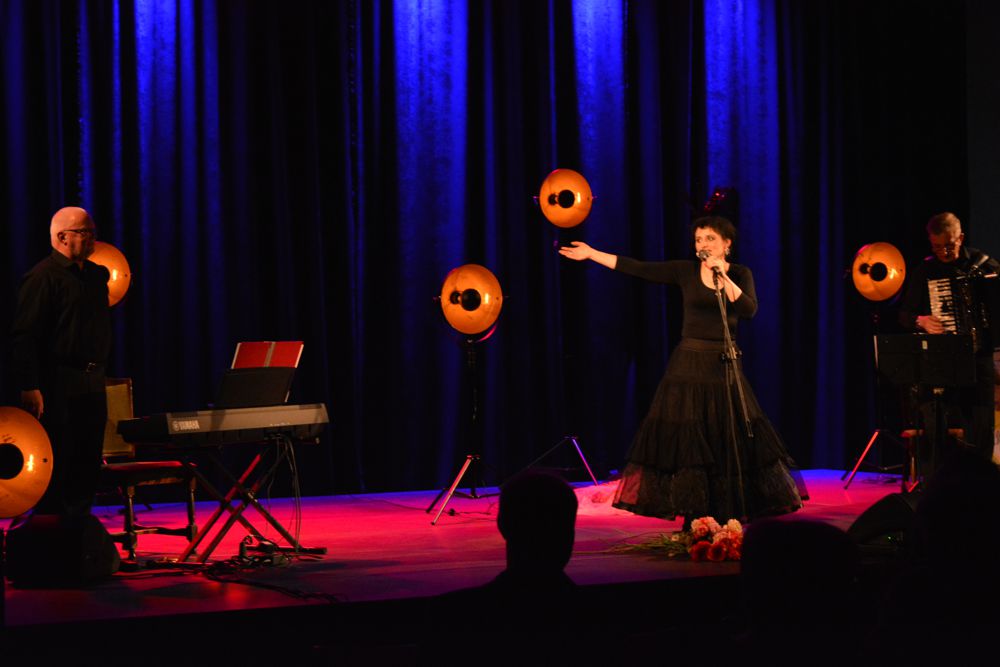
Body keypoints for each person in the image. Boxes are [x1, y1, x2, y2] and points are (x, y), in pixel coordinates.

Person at [559, 216, 801, 524]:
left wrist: (722, 275)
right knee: (691, 438)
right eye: (699, 239)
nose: (703, 244)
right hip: (688, 364)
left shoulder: (740, 273)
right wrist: (593, 254)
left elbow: (749, 310)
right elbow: (638, 268)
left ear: (727, 244)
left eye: (710, 238)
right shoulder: (685, 271)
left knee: (726, 434)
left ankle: (727, 512)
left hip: (724, 364)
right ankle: (695, 516)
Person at [10, 206, 111, 517]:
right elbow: (24, 336)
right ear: (63, 237)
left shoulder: (96, 275)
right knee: (62, 457)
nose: (92, 238)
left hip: (93, 380)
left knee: (89, 458)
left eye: (93, 232)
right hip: (59, 381)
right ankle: (53, 528)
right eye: (85, 232)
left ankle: (79, 526)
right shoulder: (42, 277)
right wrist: (30, 385)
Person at [897, 212, 999, 461]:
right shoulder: (925, 272)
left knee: (982, 424)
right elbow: (904, 315)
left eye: (949, 245)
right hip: (943, 360)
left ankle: (982, 478)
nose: (943, 251)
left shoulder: (985, 266)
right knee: (937, 422)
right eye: (937, 246)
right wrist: (921, 321)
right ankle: (942, 478)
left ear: (960, 238)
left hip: (979, 358)